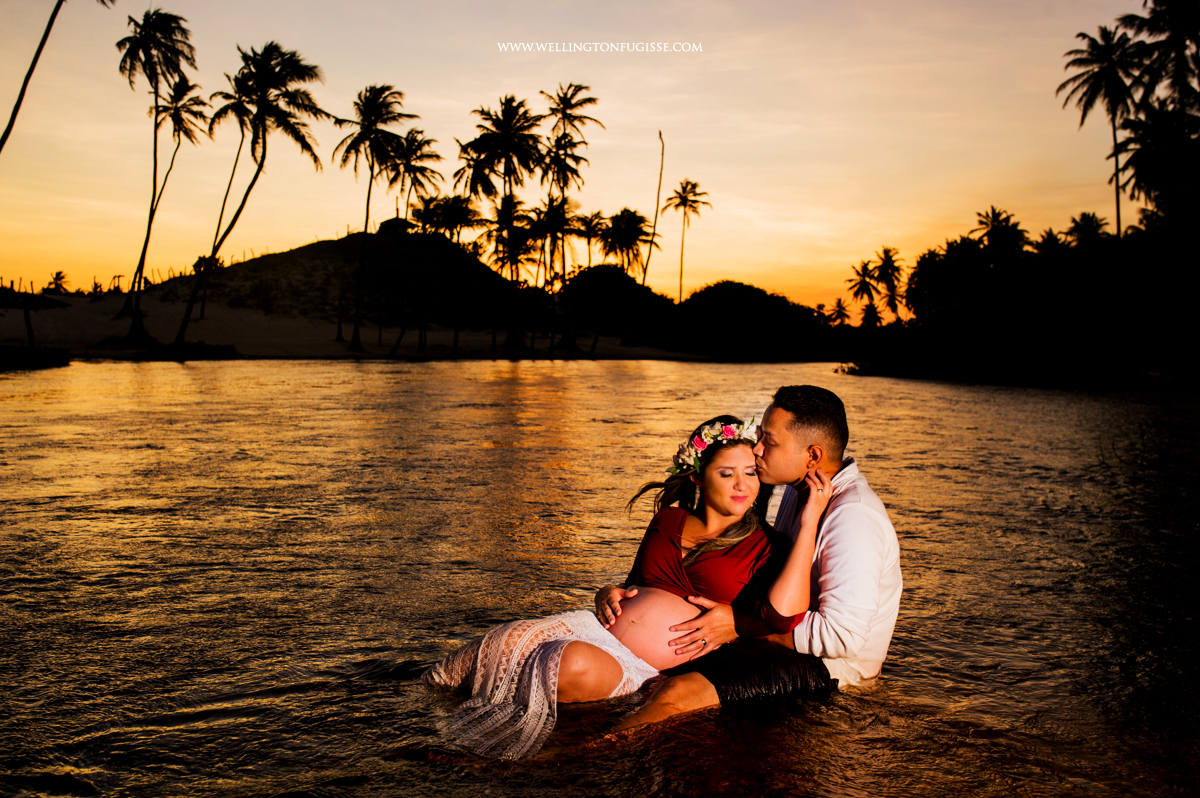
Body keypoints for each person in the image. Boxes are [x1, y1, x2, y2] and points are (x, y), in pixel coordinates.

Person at [423, 414, 832, 759]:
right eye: (727, 474)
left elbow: (783, 616)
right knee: (497, 646)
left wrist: (810, 519)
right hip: (595, 627)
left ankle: (496, 757)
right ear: (697, 477)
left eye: (750, 474)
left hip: (647, 667)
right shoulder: (668, 520)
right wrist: (607, 592)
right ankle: (417, 730)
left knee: (564, 664)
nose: (742, 485)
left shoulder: (766, 545)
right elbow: (638, 583)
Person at [605, 385, 903, 730]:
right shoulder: (800, 490)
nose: (757, 449)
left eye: (769, 442)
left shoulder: (853, 516)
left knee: (676, 694)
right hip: (778, 640)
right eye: (760, 436)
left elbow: (842, 637)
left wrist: (740, 624)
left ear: (812, 455)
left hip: (830, 669)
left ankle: (595, 754)